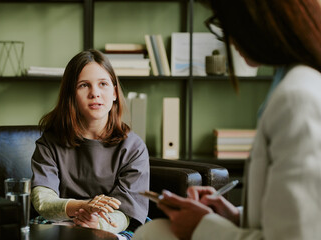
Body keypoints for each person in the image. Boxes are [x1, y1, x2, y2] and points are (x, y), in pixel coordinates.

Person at [133, 0, 321, 239]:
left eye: (226, 25)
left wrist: (203, 226)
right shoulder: (292, 83)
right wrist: (234, 217)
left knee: (154, 233)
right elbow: (294, 216)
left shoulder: (297, 98)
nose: (228, 40)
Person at [30, 49, 149, 236]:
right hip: (61, 221)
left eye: (103, 84)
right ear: (71, 95)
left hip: (111, 225)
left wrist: (98, 223)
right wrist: (84, 207)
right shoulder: (50, 142)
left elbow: (126, 212)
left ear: (115, 93)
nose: (95, 93)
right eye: (84, 85)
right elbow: (43, 201)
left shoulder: (134, 147)